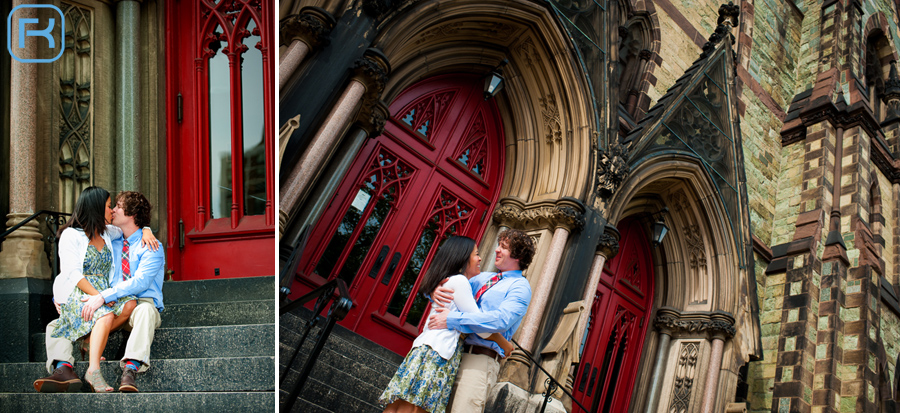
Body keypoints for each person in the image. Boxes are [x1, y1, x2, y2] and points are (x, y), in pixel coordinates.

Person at [32, 187, 157, 393]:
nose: (112, 211)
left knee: (130, 303)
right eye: (109, 206)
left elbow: (131, 228)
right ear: (96, 208)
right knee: (102, 315)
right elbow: (73, 274)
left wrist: (147, 229)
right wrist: (98, 297)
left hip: (102, 293)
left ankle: (88, 342)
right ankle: (92, 370)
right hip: (80, 292)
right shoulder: (71, 235)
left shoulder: (108, 232)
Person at [378, 236, 514, 413]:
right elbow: (479, 327)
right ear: (463, 257)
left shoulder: (450, 281)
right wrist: (505, 344)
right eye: (477, 254)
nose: (480, 259)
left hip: (426, 348)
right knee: (414, 409)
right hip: (438, 353)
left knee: (398, 407)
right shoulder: (460, 281)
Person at [427, 228, 534, 412]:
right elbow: (452, 290)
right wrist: (433, 291)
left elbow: (499, 321)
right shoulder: (483, 277)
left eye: (504, 247)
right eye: (498, 245)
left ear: (518, 256)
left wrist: (452, 319)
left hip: (480, 362)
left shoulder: (520, 287)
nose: (496, 250)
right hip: (452, 355)